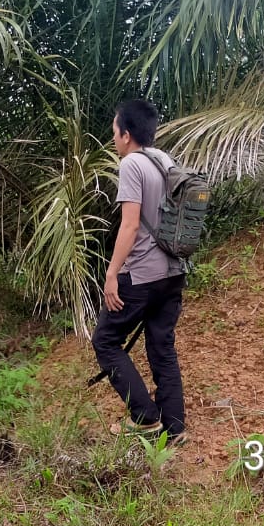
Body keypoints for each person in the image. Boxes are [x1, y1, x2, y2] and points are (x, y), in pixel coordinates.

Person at [90, 98, 187, 444]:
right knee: (162, 346)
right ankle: (174, 428)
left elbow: (129, 226)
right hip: (173, 271)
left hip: (142, 275)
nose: (114, 140)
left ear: (126, 134)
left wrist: (111, 274)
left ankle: (145, 418)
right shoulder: (165, 160)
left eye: (114, 132)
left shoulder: (131, 164)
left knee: (104, 340)